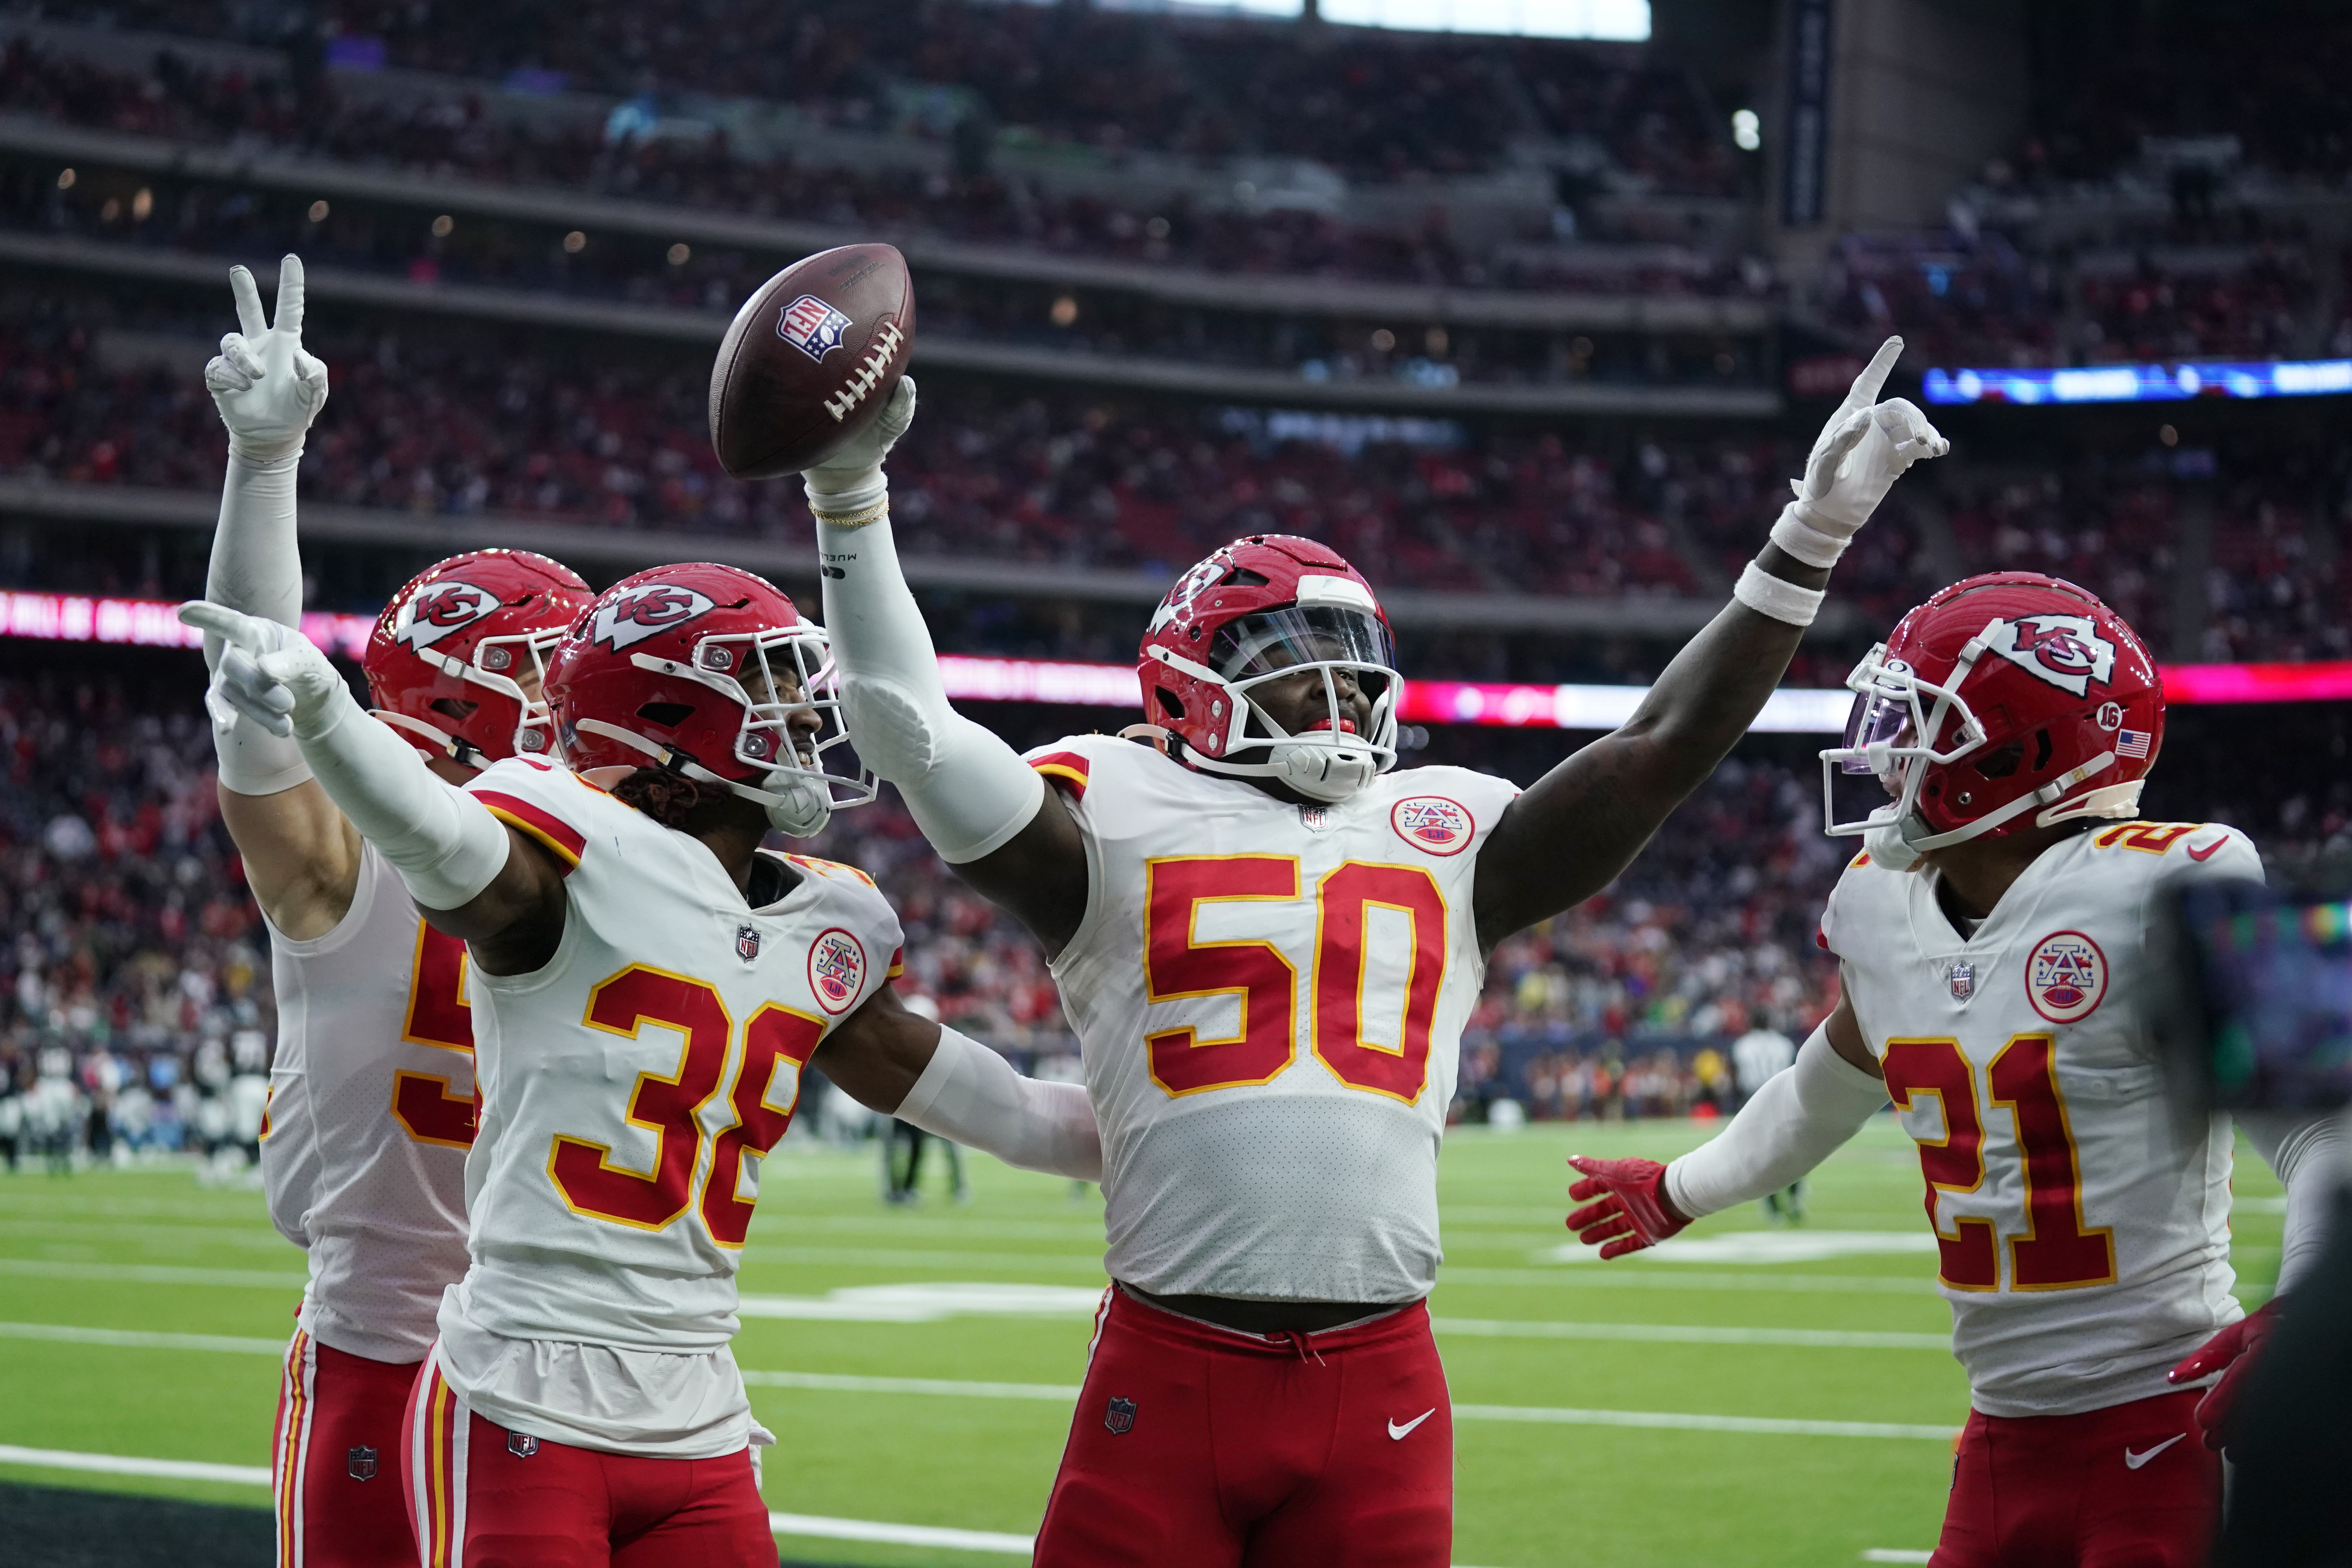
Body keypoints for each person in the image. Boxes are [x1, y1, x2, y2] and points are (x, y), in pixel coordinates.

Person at [803, 339, 1945, 1566]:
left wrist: (1808, 534)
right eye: (1284, 666)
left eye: (1346, 663)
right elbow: (907, 727)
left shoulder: (1444, 827)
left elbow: (1658, 745)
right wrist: (847, 501)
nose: (1334, 693)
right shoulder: (1105, 813)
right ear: (1185, 684)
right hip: (1166, 1359)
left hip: (1379, 1372)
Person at [183, 557, 1102, 1567]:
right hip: (522, 1390)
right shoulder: (565, 861)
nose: (803, 716)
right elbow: (434, 834)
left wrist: (1190, 1139)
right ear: (670, 719)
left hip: (701, 1405)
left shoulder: (823, 923)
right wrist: (325, 713)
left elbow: (1018, 1113)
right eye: (768, 685)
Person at [1563, 572, 2345, 1568]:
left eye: (1923, 722)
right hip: (1999, 1437)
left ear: (2027, 751)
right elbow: (1832, 1080)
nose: (1888, 750)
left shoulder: (2174, 880)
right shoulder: (1880, 904)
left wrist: (2309, 1302)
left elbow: (2326, 1127)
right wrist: (1681, 1187)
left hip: (2165, 1418)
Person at [187, 255, 598, 1568]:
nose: (578, 701)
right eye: (552, 671)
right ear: (475, 698)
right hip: (388, 1346)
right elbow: (257, 689)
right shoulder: (349, 862)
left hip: (566, 1354)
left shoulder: (613, 854)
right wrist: (266, 461)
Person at [1729, 1024, 1805, 1221]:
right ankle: (1795, 1197)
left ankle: (1772, 1206)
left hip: (1753, 1100)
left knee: (1763, 1155)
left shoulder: (1743, 1045)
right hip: (1781, 1097)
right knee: (1792, 1150)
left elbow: (1737, 1078)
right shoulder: (1783, 1043)